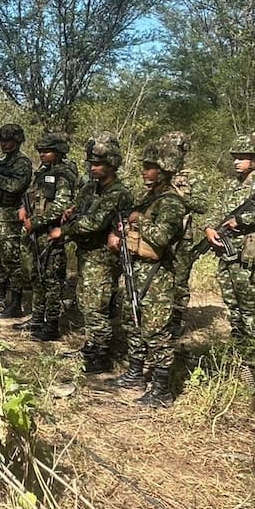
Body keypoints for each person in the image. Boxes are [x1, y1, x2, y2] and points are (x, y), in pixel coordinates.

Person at [110, 141, 188, 406]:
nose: (144, 172)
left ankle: (162, 388)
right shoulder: (149, 199)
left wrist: (138, 219)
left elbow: (161, 238)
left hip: (157, 274)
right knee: (134, 322)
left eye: (149, 168)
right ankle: (135, 372)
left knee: (156, 330)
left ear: (164, 170)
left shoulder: (172, 203)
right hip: (137, 269)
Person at [55, 132, 133, 371]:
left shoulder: (118, 193)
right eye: (90, 163)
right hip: (86, 254)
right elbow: (75, 209)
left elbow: (94, 223)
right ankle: (92, 346)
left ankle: (99, 357)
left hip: (103, 257)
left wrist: (65, 230)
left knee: (95, 306)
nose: (92, 168)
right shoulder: (90, 188)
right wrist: (70, 215)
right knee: (85, 301)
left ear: (111, 165)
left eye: (98, 164)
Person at [201, 135, 255, 339]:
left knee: (252, 311)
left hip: (249, 258)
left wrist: (242, 220)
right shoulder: (232, 185)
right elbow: (216, 211)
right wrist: (209, 228)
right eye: (234, 158)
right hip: (227, 256)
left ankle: (254, 360)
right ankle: (239, 355)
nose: (236, 162)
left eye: (242, 157)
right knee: (233, 308)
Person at [17, 132, 77, 340]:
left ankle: (51, 325)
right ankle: (36, 319)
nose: (42, 154)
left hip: (51, 233)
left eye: (47, 151)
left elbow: (61, 205)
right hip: (36, 233)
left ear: (59, 152)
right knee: (37, 276)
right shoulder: (42, 173)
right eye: (40, 151)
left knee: (51, 280)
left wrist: (36, 221)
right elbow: (33, 198)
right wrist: (23, 211)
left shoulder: (64, 175)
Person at [160, 132, 208, 338]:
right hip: (159, 234)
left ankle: (176, 320)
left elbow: (202, 205)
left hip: (182, 237)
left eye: (175, 149)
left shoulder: (193, 176)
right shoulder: (158, 173)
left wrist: (180, 197)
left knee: (179, 280)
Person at [0, 124, 33, 315]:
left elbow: (16, 186)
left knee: (11, 260)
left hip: (9, 218)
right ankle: (0, 294)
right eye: (2, 141)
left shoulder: (22, 162)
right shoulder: (3, 161)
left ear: (17, 142)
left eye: (9, 141)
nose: (5, 144)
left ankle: (16, 302)